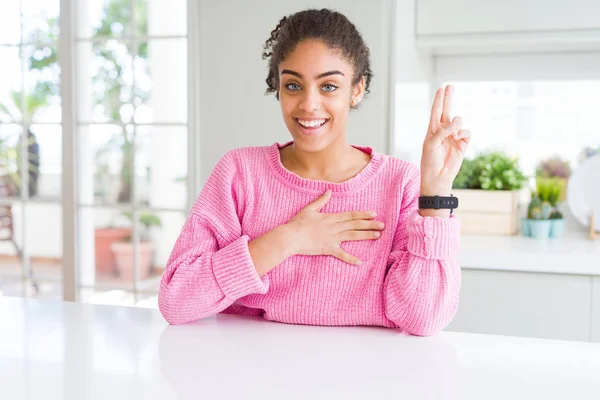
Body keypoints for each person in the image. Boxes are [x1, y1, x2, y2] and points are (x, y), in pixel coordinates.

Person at [158, 8, 471, 336]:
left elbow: (424, 319)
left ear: (357, 89)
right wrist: (288, 238)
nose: (308, 104)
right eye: (293, 85)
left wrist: (435, 195)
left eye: (329, 86)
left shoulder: (401, 183)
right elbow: (176, 300)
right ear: (278, 88)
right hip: (253, 376)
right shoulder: (239, 173)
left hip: (368, 379)